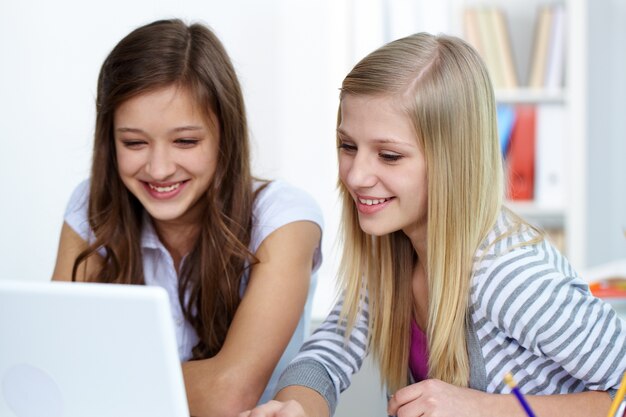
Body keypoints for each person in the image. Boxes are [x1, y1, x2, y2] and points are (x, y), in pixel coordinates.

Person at [240, 33, 626, 417]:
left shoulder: (510, 276)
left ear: (453, 162)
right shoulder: (390, 250)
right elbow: (327, 357)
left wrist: (483, 408)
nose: (356, 176)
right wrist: (293, 409)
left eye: (389, 156)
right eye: (348, 146)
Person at [51, 19, 323, 417]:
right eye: (134, 142)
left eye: (185, 141)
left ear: (224, 136)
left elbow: (228, 395)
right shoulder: (93, 205)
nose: (159, 169)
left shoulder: (284, 218)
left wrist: (96, 380)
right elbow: (55, 365)